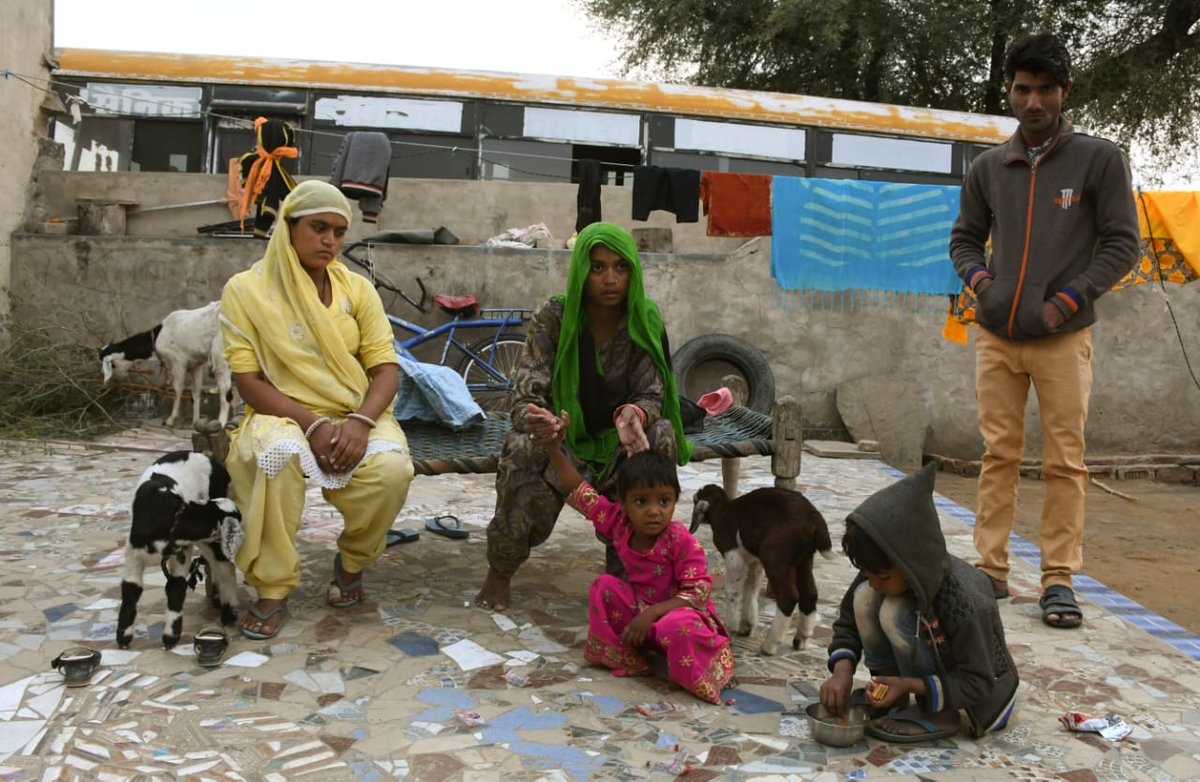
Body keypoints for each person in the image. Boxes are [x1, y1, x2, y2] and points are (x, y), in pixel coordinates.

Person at [949, 32, 1139, 628]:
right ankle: (991, 571)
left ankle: (1059, 580)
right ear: (1009, 91)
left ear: (1065, 91)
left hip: (1063, 336)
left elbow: (1122, 244)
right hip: (998, 336)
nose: (1034, 102)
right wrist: (985, 286)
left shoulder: (1099, 160)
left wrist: (1067, 300)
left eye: (1046, 89)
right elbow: (963, 240)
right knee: (997, 454)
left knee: (1065, 461)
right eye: (1023, 89)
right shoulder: (988, 165)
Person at [220, 180, 415, 640]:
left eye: (339, 232)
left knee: (391, 473)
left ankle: (351, 564)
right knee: (277, 456)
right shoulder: (246, 291)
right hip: (282, 411)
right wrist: (311, 425)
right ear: (288, 227)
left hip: (355, 409)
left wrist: (362, 422)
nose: (330, 241)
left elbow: (386, 369)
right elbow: (248, 382)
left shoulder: (357, 290)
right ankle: (272, 587)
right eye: (318, 228)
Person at [474, 221, 692, 612]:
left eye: (620, 267)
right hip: (564, 443)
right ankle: (501, 570)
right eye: (598, 267)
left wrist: (635, 413)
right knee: (522, 445)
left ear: (633, 272)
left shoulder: (644, 318)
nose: (610, 279)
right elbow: (525, 393)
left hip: (619, 447)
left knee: (659, 436)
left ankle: (630, 570)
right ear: (581, 271)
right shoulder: (554, 318)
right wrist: (539, 420)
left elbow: (652, 392)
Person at [534, 415, 734, 703]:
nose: (654, 511)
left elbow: (698, 593)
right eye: (642, 502)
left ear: (674, 501)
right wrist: (554, 448)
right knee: (602, 585)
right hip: (641, 611)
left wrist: (651, 614)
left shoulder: (680, 541)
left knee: (673, 627)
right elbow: (578, 491)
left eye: (663, 501)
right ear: (624, 503)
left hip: (681, 615)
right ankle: (626, 656)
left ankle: (708, 667)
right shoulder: (619, 524)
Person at [819, 462, 1019, 742]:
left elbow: (979, 682)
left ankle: (937, 713)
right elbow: (848, 623)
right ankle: (887, 695)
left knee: (893, 611)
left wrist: (911, 684)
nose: (875, 582)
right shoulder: (878, 569)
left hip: (984, 694)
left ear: (911, 564)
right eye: (868, 573)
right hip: (929, 677)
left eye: (883, 576)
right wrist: (842, 673)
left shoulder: (966, 599)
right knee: (863, 597)